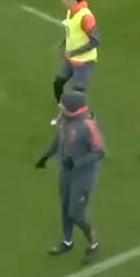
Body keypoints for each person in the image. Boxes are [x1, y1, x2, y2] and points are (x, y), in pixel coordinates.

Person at [34, 89, 104, 262]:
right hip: (65, 173)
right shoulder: (64, 119)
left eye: (63, 105)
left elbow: (99, 152)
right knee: (65, 208)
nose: (60, 106)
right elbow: (58, 140)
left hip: (82, 177)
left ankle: (93, 241)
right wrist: (45, 156)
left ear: (72, 107)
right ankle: (67, 241)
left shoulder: (88, 126)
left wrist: (76, 163)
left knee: (76, 213)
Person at [54, 0, 99, 118]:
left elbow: (95, 40)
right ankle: (63, 109)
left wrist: (74, 52)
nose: (62, 1)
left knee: (77, 94)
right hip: (71, 59)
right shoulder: (71, 12)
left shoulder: (86, 17)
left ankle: (88, 116)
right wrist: (64, 43)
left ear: (73, 0)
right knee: (58, 83)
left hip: (84, 62)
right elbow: (73, 31)